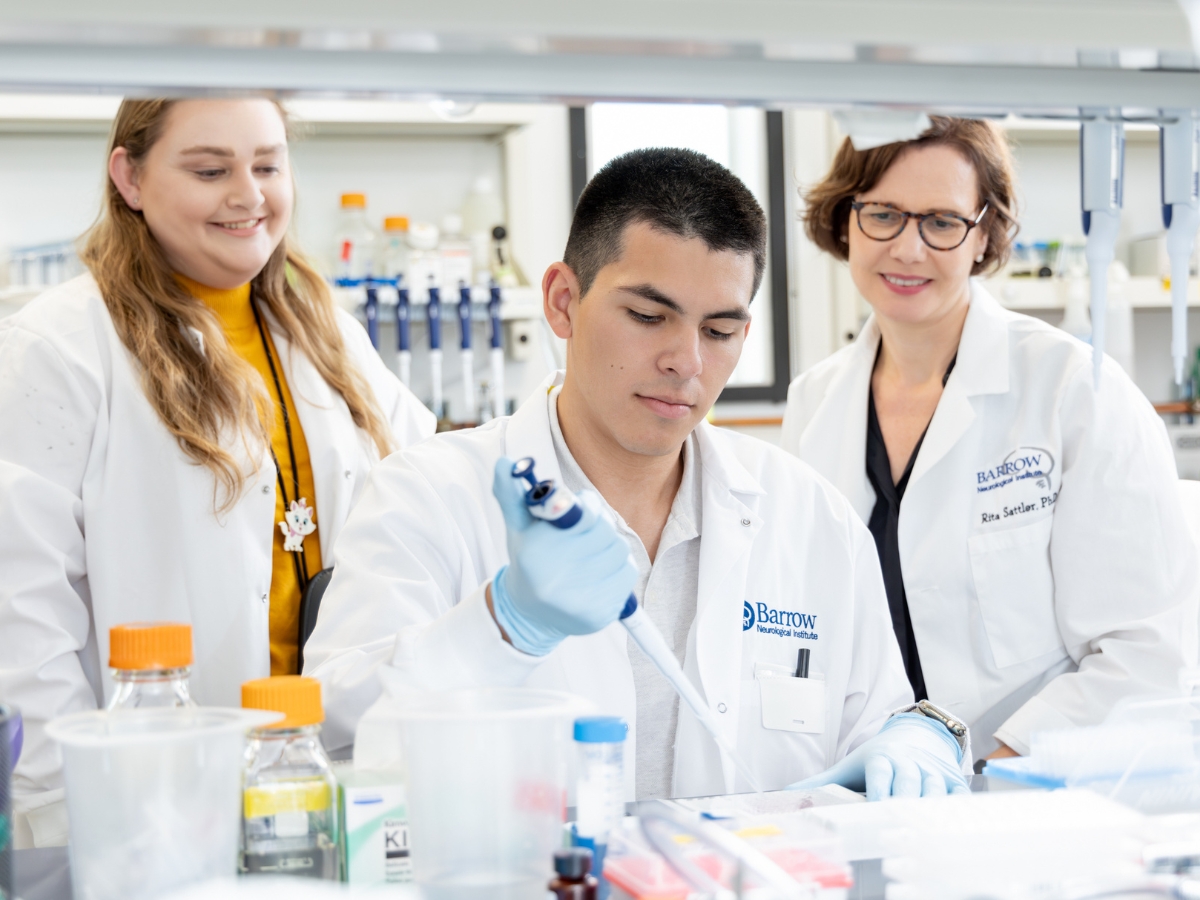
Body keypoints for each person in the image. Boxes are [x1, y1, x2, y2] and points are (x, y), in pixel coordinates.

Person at [304, 148, 969, 801]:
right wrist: (505, 625)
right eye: (648, 317)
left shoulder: (812, 518)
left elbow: (875, 735)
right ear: (563, 301)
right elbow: (333, 743)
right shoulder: (426, 498)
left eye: (719, 330)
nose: (687, 363)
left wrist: (910, 736)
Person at [0, 97, 435, 846]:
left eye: (268, 165)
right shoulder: (59, 346)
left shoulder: (325, 331)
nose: (248, 194)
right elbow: (19, 612)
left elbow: (424, 490)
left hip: (326, 777)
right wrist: (68, 805)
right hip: (146, 800)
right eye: (210, 169)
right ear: (128, 178)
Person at [780, 116, 1197, 765]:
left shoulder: (1074, 392)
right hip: (863, 782)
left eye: (942, 222)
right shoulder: (813, 404)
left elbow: (1146, 652)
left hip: (1023, 792)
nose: (908, 249)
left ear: (985, 236)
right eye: (883, 213)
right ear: (844, 220)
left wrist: (983, 772)